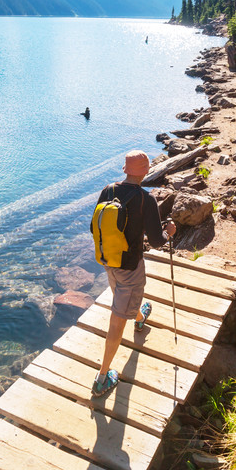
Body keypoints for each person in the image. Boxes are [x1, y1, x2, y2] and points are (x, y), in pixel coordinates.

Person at [91, 150, 176, 397]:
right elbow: (157, 241)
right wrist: (169, 231)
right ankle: (102, 378)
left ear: (126, 169)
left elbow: (93, 226)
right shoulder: (145, 200)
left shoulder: (108, 190)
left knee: (122, 294)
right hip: (130, 266)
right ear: (146, 171)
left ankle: (139, 317)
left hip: (108, 259)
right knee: (117, 320)